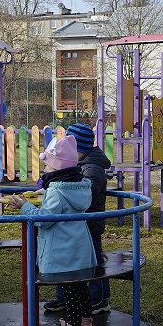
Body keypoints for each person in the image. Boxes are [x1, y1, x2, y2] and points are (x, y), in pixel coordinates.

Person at [7, 135, 97, 326]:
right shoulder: (80, 185)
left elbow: (44, 220)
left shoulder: (57, 191)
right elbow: (64, 202)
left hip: (62, 250)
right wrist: (46, 191)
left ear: (56, 169)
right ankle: (85, 323)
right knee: (79, 285)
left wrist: (24, 207)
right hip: (80, 249)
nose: (45, 170)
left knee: (68, 288)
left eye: (47, 166)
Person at [43, 122, 113, 315]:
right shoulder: (79, 164)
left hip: (89, 223)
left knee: (94, 261)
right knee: (65, 259)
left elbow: (84, 192)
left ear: (78, 149)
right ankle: (64, 296)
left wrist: (63, 185)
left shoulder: (92, 168)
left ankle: (99, 298)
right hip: (74, 222)